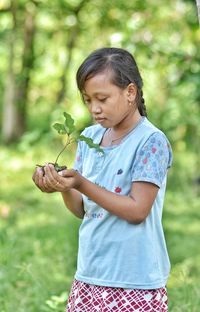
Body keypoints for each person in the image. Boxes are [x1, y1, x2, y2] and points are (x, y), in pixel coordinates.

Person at [32, 47, 173, 312]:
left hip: (134, 282)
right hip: (90, 275)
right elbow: (82, 208)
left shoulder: (151, 142)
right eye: (87, 100)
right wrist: (63, 186)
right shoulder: (89, 138)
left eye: (102, 99)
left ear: (130, 92)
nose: (94, 109)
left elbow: (137, 210)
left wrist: (81, 183)